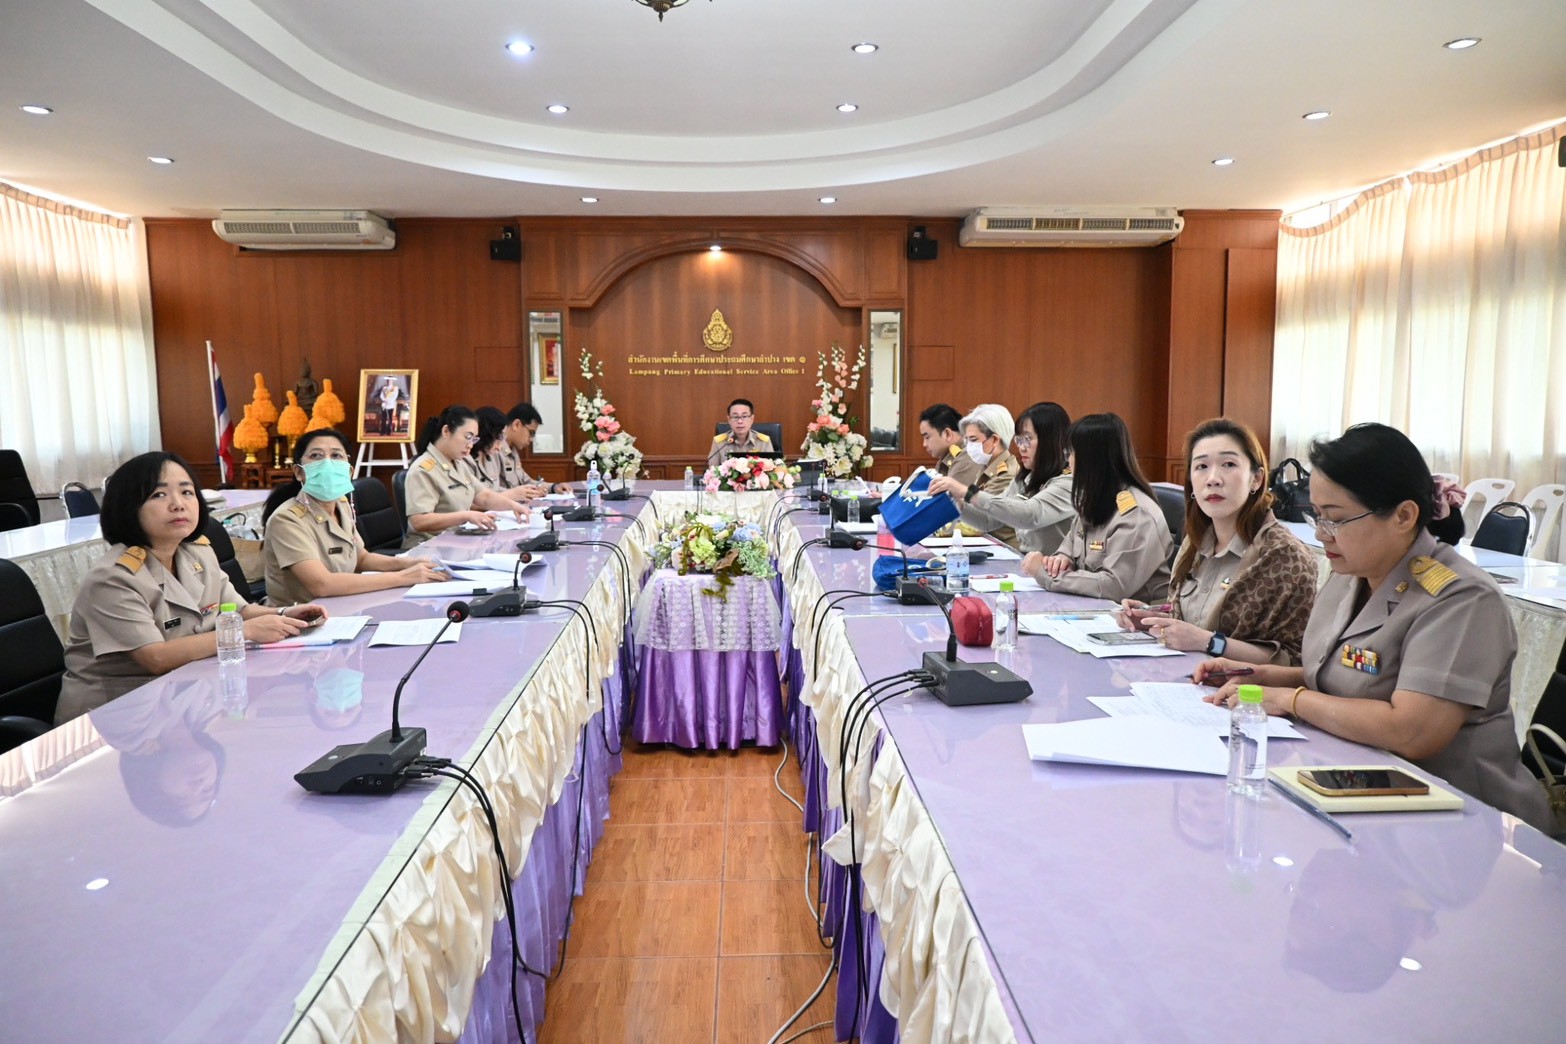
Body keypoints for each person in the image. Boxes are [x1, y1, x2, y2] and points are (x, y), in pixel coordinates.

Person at [1197, 422, 1551, 830]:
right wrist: (1261, 676)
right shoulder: (1352, 574)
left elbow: (1412, 731)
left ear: (1404, 516)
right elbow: (1353, 676)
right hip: (1358, 789)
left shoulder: (1461, 599)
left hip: (1460, 817)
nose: (1321, 533)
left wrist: (1290, 699)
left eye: (1335, 519)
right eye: (1316, 515)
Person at [55, 452, 326, 724]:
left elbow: (238, 610)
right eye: (159, 495)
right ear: (127, 507)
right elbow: (155, 657)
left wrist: (283, 614)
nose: (178, 504)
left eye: (187, 492)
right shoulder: (114, 578)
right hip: (116, 715)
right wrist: (243, 632)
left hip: (181, 698)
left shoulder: (198, 553)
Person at [1116, 418, 1317, 663]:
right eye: (1201, 466)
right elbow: (1196, 625)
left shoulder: (1285, 556)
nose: (1213, 479)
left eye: (1228, 464)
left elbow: (1292, 660)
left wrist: (1210, 642)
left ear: (1256, 478)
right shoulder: (1195, 542)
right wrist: (1151, 618)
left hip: (1240, 686)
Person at [262, 428, 450, 603]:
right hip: (299, 618)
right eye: (316, 456)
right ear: (299, 472)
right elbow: (322, 585)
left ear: (349, 470)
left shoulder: (342, 504)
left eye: (336, 455)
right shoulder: (286, 519)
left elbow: (361, 558)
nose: (327, 463)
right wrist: (403, 577)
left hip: (343, 604)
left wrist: (408, 563)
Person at [1023, 412, 1172, 602]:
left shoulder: (1136, 515)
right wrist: (1060, 560)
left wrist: (1045, 575)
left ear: (1090, 459)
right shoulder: (1093, 501)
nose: (1068, 461)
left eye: (1071, 453)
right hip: (1092, 606)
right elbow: (1068, 549)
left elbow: (1114, 586)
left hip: (1134, 615)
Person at [928, 401, 1074, 553]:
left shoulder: (1069, 482)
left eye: (1027, 439)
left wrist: (966, 493)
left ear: (1050, 440)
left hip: (1051, 565)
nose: (1021, 447)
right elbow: (989, 520)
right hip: (1025, 560)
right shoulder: (1026, 478)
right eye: (1018, 440)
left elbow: (1031, 515)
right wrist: (958, 504)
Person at [403, 405, 527, 547]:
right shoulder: (423, 469)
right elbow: (418, 522)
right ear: (446, 431)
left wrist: (514, 506)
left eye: (474, 439)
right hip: (428, 546)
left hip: (454, 542)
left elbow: (483, 496)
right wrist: (466, 516)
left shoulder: (458, 464)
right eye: (467, 437)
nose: (470, 445)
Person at [464, 406, 546, 502]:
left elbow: (495, 489)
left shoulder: (489, 457)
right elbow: (472, 500)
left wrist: (526, 491)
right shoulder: (466, 460)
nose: (500, 446)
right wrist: (514, 494)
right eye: (499, 437)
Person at [500, 401, 571, 493]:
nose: (531, 439)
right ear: (516, 425)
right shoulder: (494, 449)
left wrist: (553, 487)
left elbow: (527, 481)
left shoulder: (512, 451)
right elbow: (490, 490)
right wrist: (520, 493)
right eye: (531, 433)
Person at [918, 403, 980, 487]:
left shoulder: (967, 458)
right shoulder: (946, 457)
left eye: (927, 437)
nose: (924, 444)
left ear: (947, 434)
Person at [708, 398, 773, 467]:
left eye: (744, 416)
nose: (740, 421)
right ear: (729, 419)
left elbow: (771, 469)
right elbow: (712, 470)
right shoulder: (719, 443)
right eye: (735, 417)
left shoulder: (763, 442)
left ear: (752, 419)